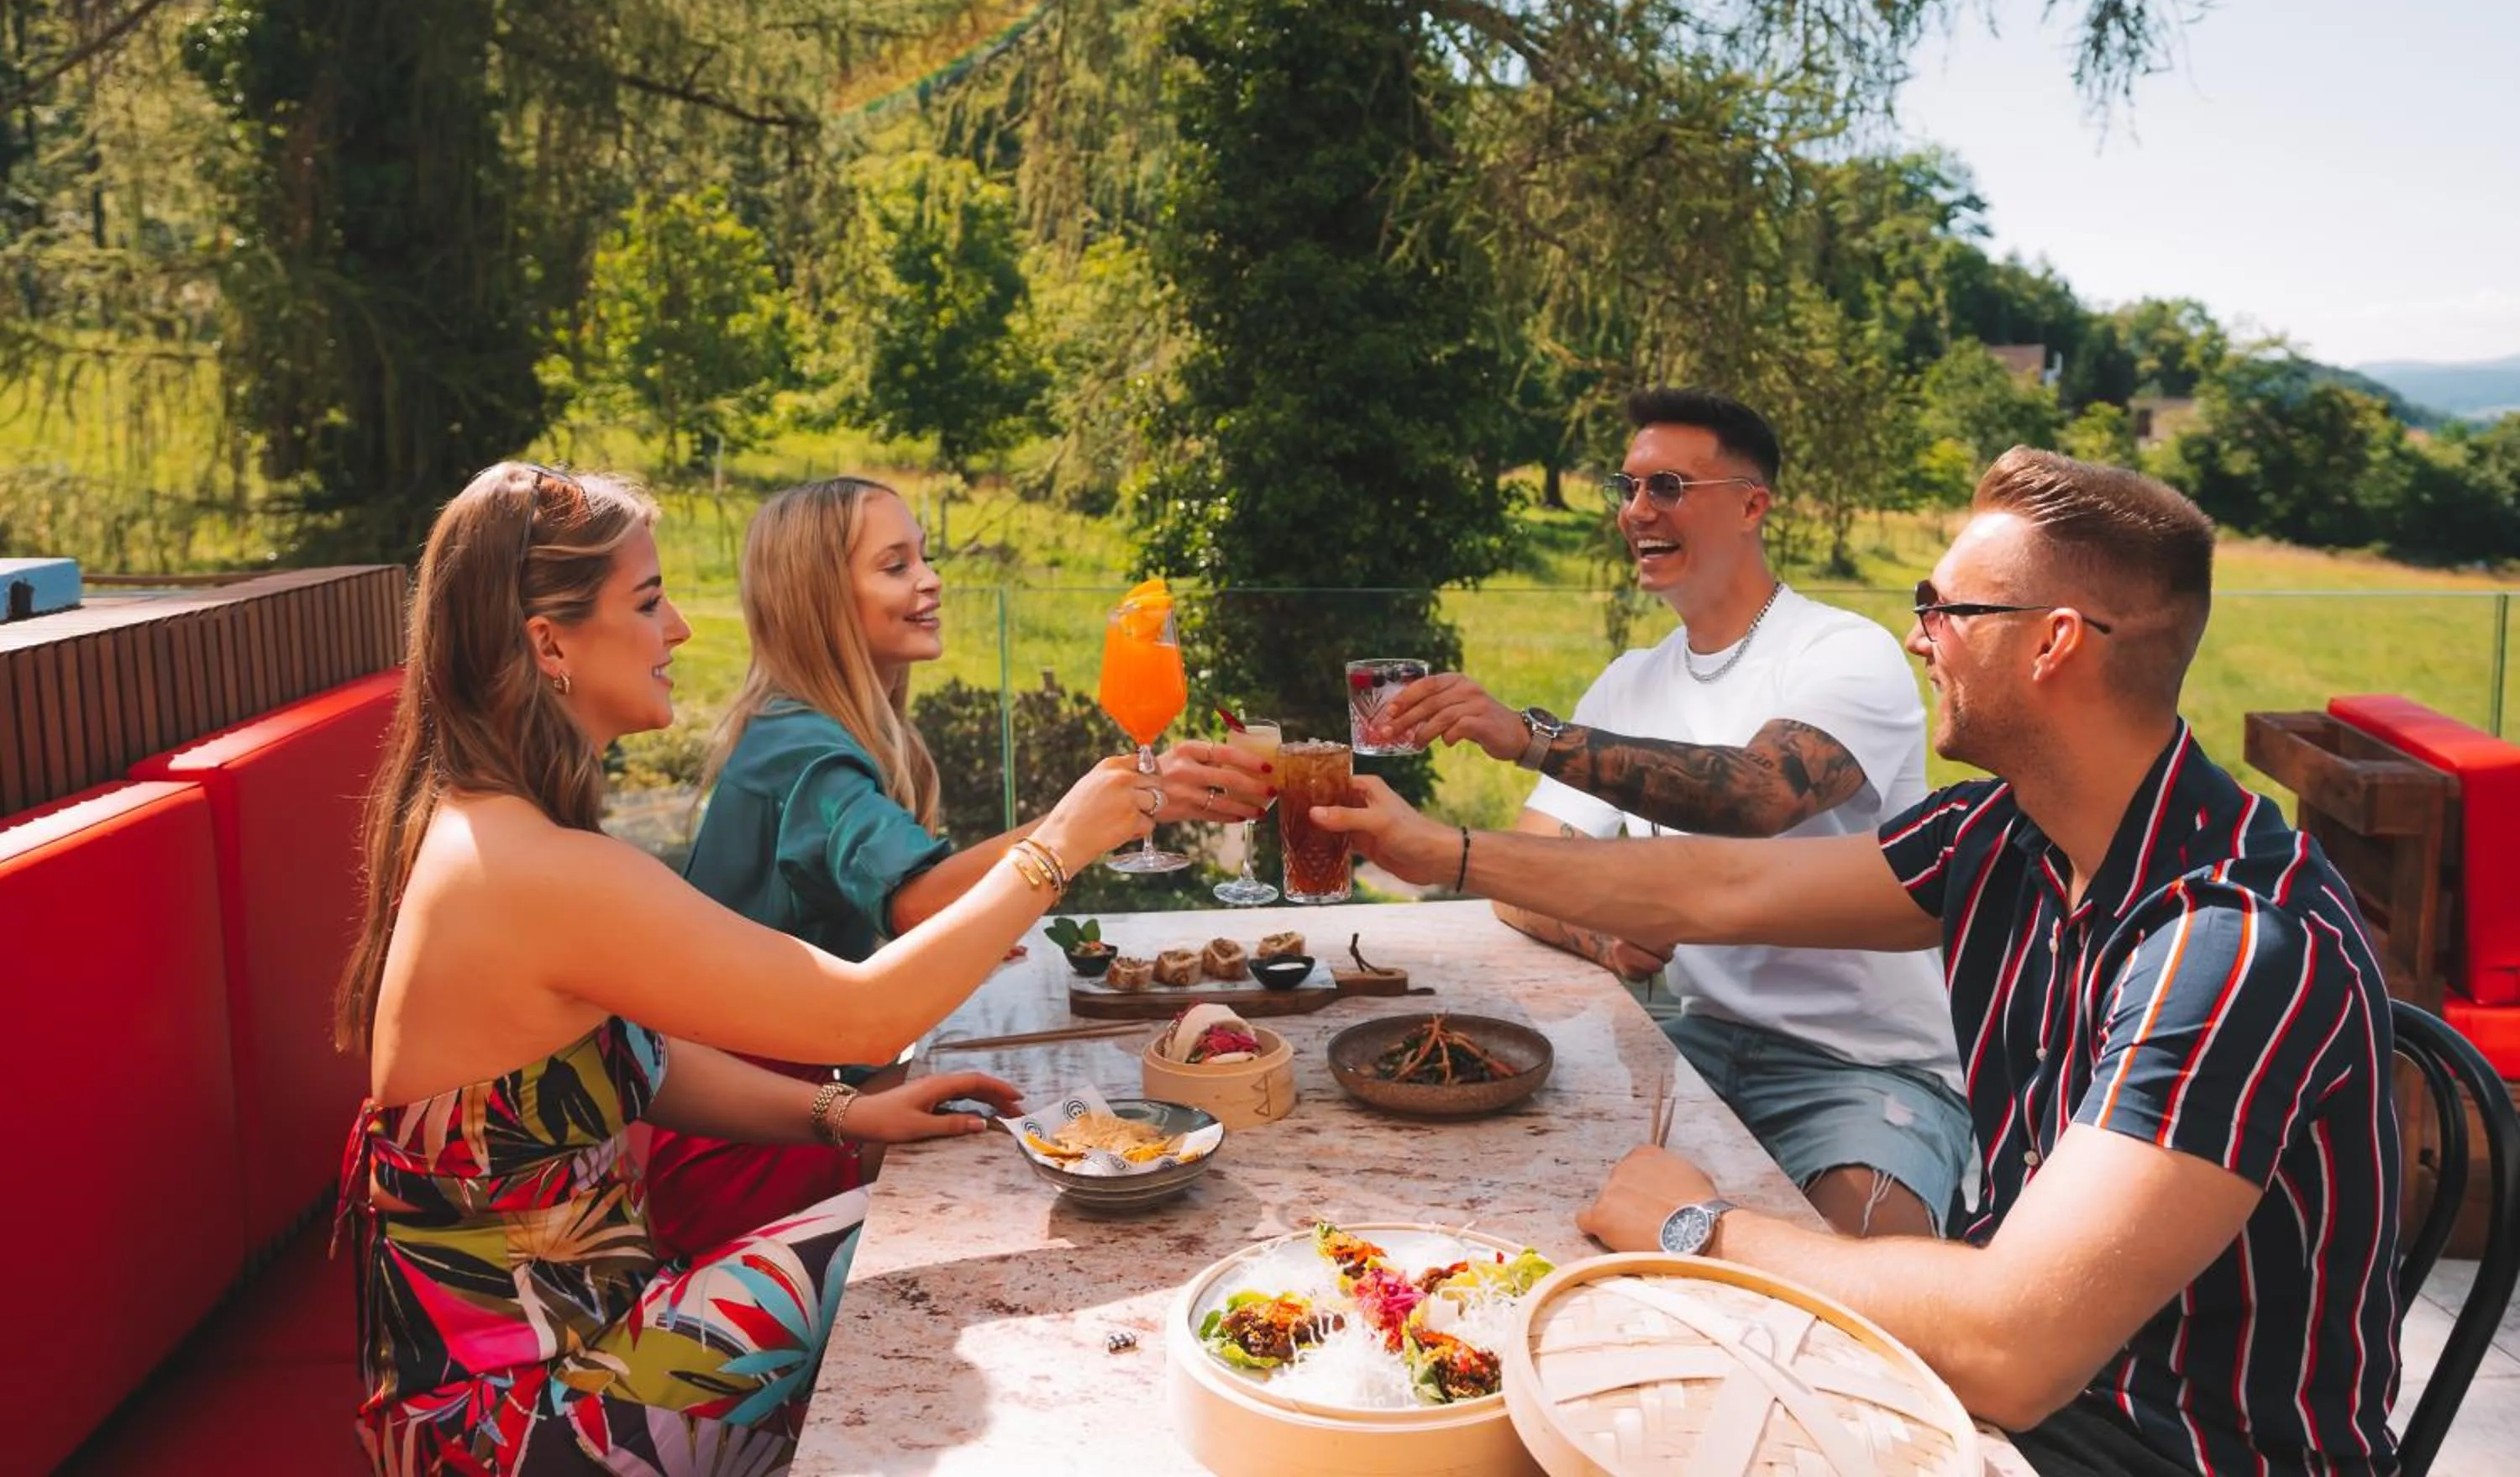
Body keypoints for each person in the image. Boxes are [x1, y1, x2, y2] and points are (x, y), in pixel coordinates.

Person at [1319, 449, 2399, 1476]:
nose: (1920, 637)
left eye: (1944, 607)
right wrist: (1439, 849)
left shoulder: (2235, 948)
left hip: (2148, 1448)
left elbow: (2014, 1349)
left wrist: (1700, 1231)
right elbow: (1719, 888)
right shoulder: (2001, 834)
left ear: (2054, 642)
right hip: (2000, 1401)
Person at [333, 462, 1158, 1474]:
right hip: (524, 1424)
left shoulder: (491, 833)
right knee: (932, 1243)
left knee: (938, 1219)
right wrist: (1060, 843)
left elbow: (643, 1059)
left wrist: (847, 1116)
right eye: (648, 601)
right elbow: (865, 1018)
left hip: (553, 1358)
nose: (679, 628)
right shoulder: (528, 866)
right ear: (548, 642)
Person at [1377, 387, 1967, 1238]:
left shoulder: (1844, 650)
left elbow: (1757, 791)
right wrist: (1604, 935)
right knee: (1525, 1205)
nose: (1637, 510)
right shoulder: (1632, 680)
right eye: (1628, 487)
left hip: (1868, 1067)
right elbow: (1527, 868)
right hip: (1703, 1042)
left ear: (1752, 504)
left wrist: (1529, 738)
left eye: (1668, 487)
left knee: (1862, 1284)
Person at [648, 475, 1273, 1252]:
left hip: (801, 1103)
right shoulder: (802, 752)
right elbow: (918, 900)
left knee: (1056, 1120)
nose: (931, 578)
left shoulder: (807, 732)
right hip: (741, 1150)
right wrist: (1092, 817)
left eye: (926, 556)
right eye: (895, 564)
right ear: (818, 598)